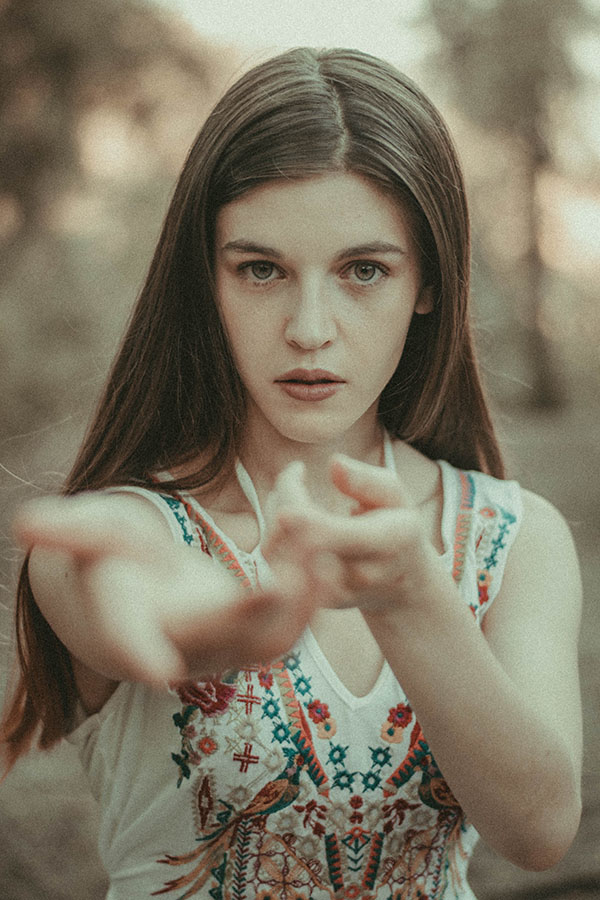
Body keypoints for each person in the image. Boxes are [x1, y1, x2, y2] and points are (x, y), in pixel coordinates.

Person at [1, 47, 582, 900]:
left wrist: (413, 598)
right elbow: (134, 580)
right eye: (262, 269)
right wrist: (222, 621)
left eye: (363, 270)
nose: (310, 328)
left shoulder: (515, 539)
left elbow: (538, 830)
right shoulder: (123, 535)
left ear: (427, 282)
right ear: (209, 280)